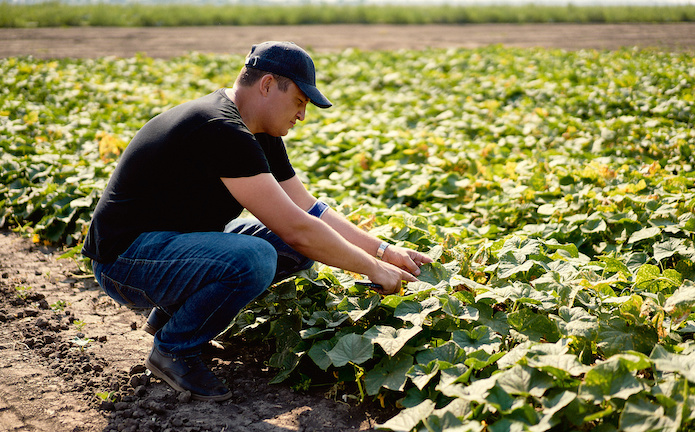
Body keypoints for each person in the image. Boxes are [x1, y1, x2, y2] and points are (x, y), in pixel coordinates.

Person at [82, 41, 433, 402]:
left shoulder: (256, 129)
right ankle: (173, 349)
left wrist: (384, 250)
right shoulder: (219, 128)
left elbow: (308, 209)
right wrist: (372, 269)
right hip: (124, 260)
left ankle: (172, 317)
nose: (302, 116)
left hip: (171, 246)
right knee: (256, 257)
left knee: (289, 247)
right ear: (267, 85)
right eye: (299, 102)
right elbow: (298, 229)